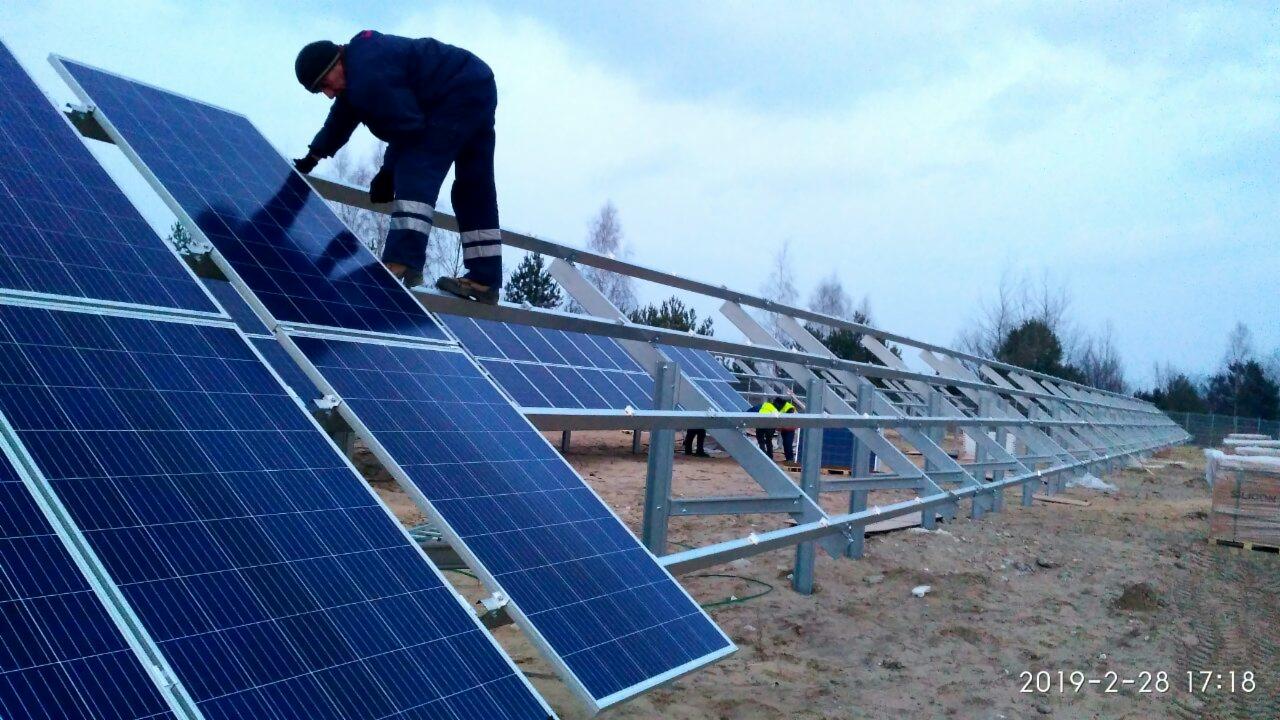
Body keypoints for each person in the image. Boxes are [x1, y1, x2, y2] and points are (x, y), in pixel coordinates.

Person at [292, 31, 502, 303]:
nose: (329, 94)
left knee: (416, 168)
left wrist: (388, 171)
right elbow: (341, 118)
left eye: (324, 84)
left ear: (336, 62)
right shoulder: (358, 66)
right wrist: (314, 155)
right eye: (320, 91)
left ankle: (402, 263)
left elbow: (408, 128)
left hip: (453, 92)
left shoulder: (368, 76)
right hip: (476, 83)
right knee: (474, 186)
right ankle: (484, 279)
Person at [777, 395, 799, 463]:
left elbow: (788, 419)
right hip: (785, 428)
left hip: (790, 428)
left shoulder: (789, 408)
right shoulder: (782, 407)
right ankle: (788, 458)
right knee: (786, 443)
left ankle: (790, 459)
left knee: (788, 443)